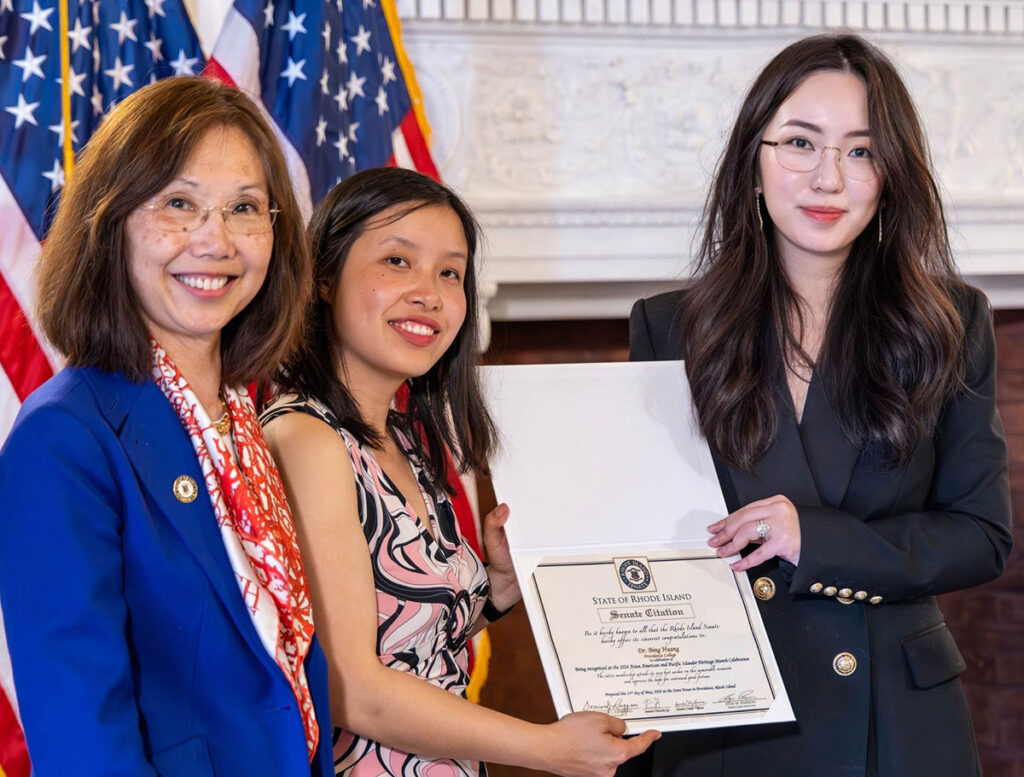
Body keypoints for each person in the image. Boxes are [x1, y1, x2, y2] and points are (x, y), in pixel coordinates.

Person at [623, 34, 1012, 777]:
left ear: (891, 174)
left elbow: (980, 535)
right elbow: (649, 538)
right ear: (754, 158)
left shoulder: (950, 320)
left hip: (896, 727)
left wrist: (819, 539)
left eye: (862, 151)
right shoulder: (669, 326)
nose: (828, 177)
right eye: (801, 142)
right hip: (727, 715)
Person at [260, 166, 659, 776]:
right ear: (322, 278)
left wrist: (499, 585)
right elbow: (351, 687)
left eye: (450, 272)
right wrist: (547, 748)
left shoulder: (398, 438)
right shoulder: (306, 439)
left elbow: (408, 642)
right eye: (397, 262)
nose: (430, 292)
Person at [0, 77, 333, 776]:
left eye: (244, 206)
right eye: (179, 203)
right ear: (110, 221)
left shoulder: (240, 419)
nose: (214, 240)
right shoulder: (63, 439)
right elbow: (85, 742)